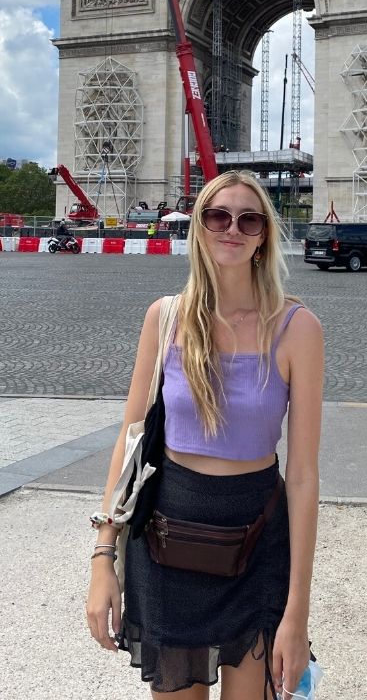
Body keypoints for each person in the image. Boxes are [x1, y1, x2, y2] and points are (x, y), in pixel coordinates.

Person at [86, 170, 324, 700]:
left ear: (264, 236)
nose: (231, 229)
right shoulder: (164, 318)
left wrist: (297, 613)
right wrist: (104, 559)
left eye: (248, 219)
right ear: (199, 228)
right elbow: (131, 442)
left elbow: (304, 477)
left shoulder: (298, 328)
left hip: (259, 542)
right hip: (168, 540)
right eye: (218, 216)